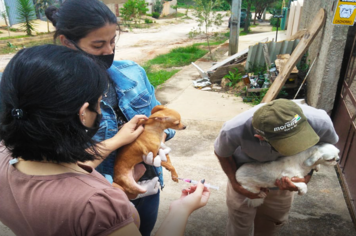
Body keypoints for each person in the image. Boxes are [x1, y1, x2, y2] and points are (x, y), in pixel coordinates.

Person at [0, 44, 210, 236]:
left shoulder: (5, 157)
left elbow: (65, 173)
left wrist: (118, 141)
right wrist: (180, 210)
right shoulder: (97, 206)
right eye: (100, 102)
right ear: (83, 113)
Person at [45, 1, 175, 235]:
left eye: (113, 41)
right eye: (98, 44)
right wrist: (119, 151)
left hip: (147, 183)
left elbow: (161, 117)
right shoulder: (57, 94)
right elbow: (61, 165)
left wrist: (160, 137)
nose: (109, 51)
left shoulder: (132, 72)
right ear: (67, 42)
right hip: (102, 194)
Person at [214, 99, 339, 236]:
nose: (295, 147)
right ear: (260, 137)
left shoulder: (320, 122)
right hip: (248, 177)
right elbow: (222, 153)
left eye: (300, 138)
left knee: (272, 222)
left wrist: (305, 177)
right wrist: (235, 183)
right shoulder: (233, 129)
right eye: (287, 144)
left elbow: (322, 152)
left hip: (285, 179)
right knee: (240, 223)